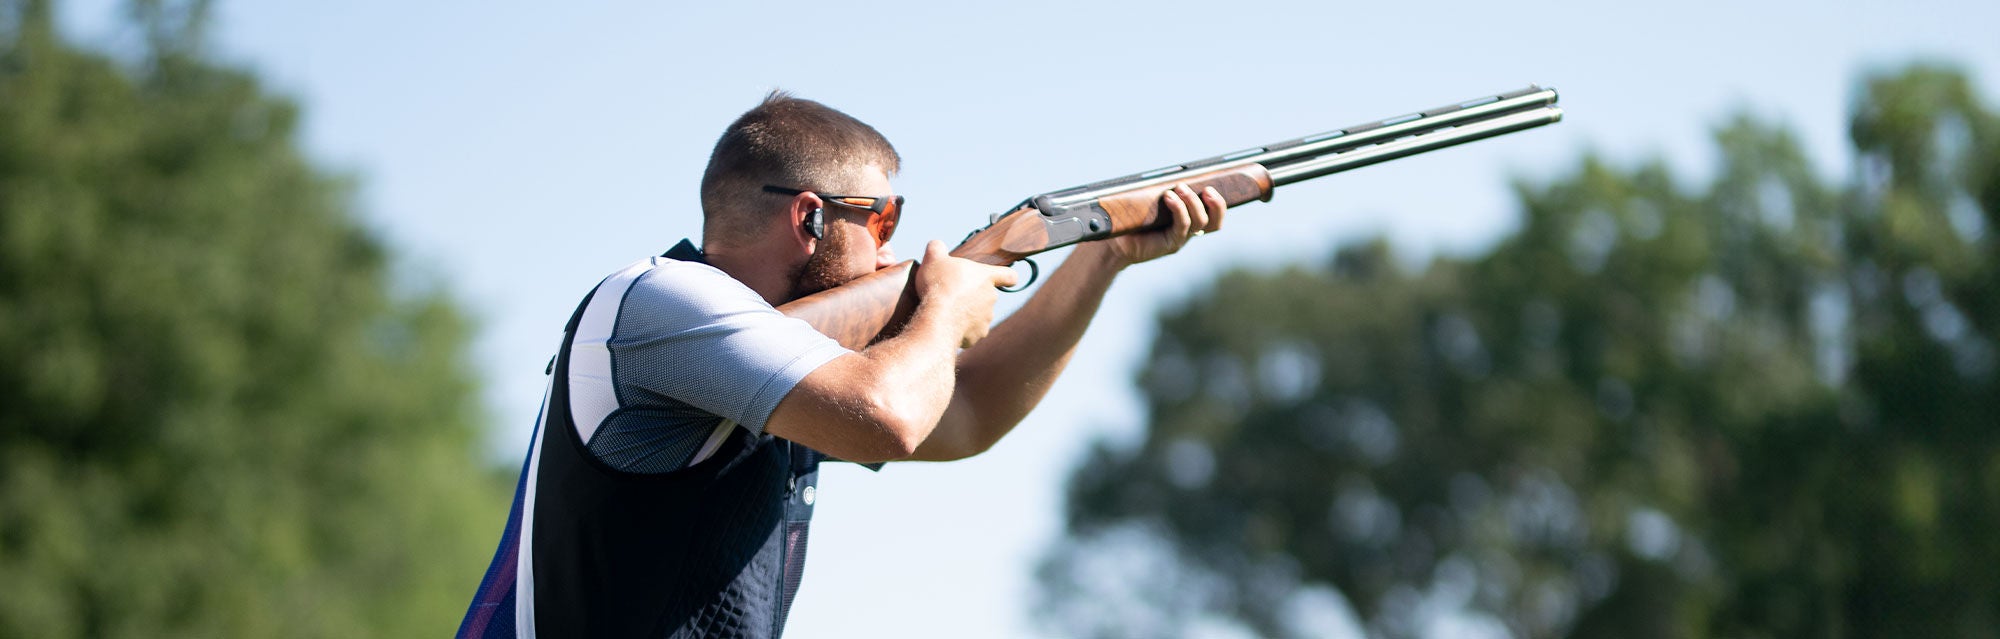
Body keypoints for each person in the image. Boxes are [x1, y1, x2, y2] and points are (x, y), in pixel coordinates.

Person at [456, 92, 1226, 638]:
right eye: (883, 218)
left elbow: (964, 414)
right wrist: (945, 312)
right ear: (810, 216)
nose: (892, 251)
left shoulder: (782, 360)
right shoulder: (658, 301)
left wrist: (1103, 259)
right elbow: (890, 416)